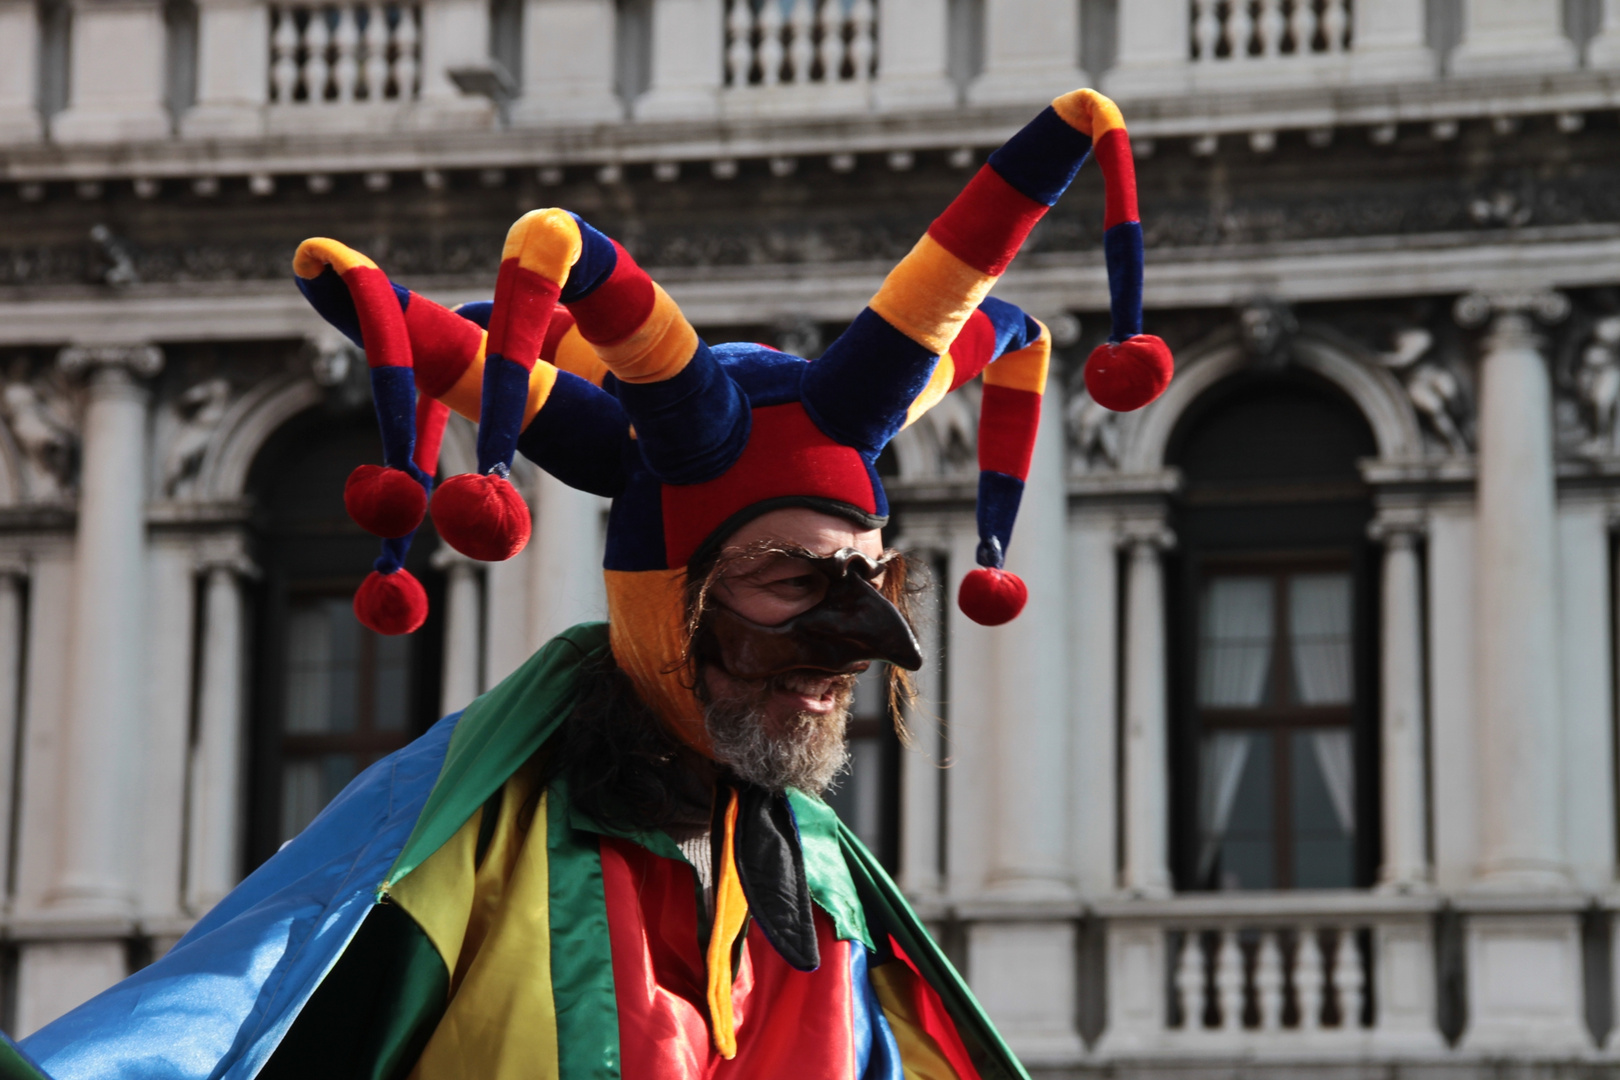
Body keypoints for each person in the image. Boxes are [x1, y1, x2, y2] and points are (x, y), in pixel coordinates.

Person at [5, 88, 1170, 1080]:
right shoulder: (466, 853)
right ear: (668, 602)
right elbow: (221, 1024)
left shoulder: (822, 893)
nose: (853, 641)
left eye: (868, 578)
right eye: (789, 578)